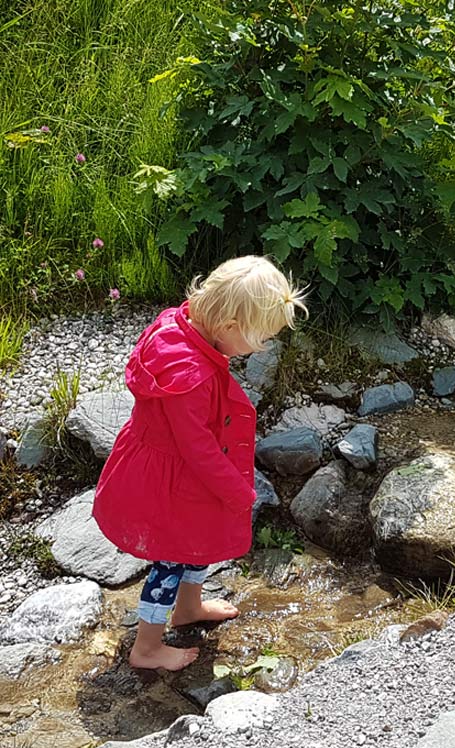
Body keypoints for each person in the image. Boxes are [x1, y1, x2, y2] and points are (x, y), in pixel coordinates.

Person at [94, 256, 307, 670]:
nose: (259, 347)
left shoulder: (182, 325)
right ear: (229, 327)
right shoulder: (189, 376)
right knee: (171, 558)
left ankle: (188, 608)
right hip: (174, 478)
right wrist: (236, 490)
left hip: (179, 471)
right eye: (258, 339)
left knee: (199, 538)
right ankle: (148, 647)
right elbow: (197, 447)